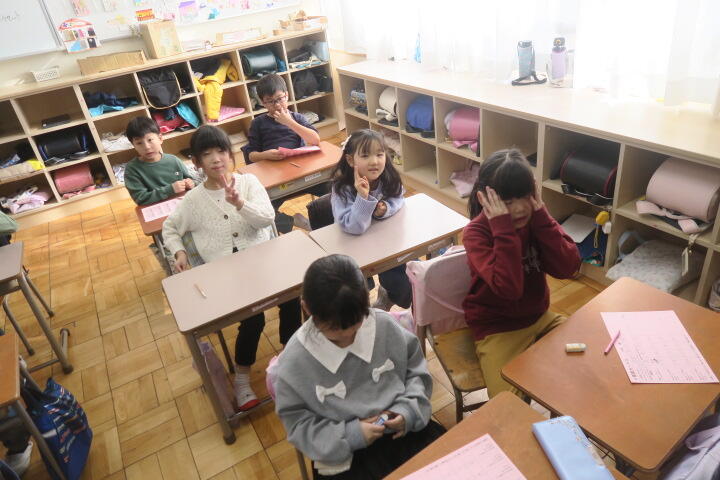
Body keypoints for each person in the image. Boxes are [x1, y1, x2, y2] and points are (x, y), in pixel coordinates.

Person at [162, 125, 301, 411]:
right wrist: (179, 251)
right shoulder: (193, 200)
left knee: (291, 299)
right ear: (197, 163)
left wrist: (241, 204)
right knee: (253, 319)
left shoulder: (248, 183)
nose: (216, 159)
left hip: (265, 263)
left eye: (221, 151)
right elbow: (170, 228)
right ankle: (241, 379)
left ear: (230, 154)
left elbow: (266, 219)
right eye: (207, 154)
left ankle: (291, 360)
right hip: (227, 275)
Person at [274, 254, 445, 479]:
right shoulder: (294, 361)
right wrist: (352, 435)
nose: (348, 339)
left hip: (404, 429)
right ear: (306, 308)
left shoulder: (383, 324)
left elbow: (416, 373)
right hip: (343, 453)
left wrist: (407, 411)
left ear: (366, 300)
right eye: (335, 334)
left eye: (356, 328)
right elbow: (299, 425)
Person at [463, 148, 581, 398]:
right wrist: (503, 230)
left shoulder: (536, 220)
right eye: (507, 202)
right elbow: (510, 289)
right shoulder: (476, 233)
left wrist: (543, 219)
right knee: (507, 405)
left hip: (540, 317)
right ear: (484, 198)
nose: (519, 209)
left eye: (525, 196)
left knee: (585, 369)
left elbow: (569, 267)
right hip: (498, 328)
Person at [330, 129, 410, 311]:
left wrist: (386, 208)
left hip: (385, 245)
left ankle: (387, 297)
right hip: (353, 250)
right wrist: (363, 197)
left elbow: (399, 198)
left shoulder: (387, 177)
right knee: (356, 294)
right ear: (351, 160)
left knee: (403, 285)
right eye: (365, 155)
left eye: (379, 154)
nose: (374, 161)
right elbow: (354, 227)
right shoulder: (341, 188)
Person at [241, 73, 322, 232]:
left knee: (335, 188)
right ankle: (293, 221)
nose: (277, 105)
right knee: (262, 212)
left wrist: (289, 122)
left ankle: (324, 221)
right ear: (262, 102)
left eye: (280, 99)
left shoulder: (297, 118)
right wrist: (265, 155)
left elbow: (315, 140)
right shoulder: (258, 123)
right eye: (270, 101)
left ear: (287, 95)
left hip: (302, 173)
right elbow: (251, 155)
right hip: (275, 180)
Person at [123, 117, 195, 205]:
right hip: (155, 209)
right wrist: (170, 190)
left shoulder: (174, 160)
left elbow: (191, 180)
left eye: (150, 140)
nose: (147, 147)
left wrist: (191, 183)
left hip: (182, 204)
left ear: (160, 138)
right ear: (133, 145)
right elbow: (140, 199)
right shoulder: (132, 169)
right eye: (139, 143)